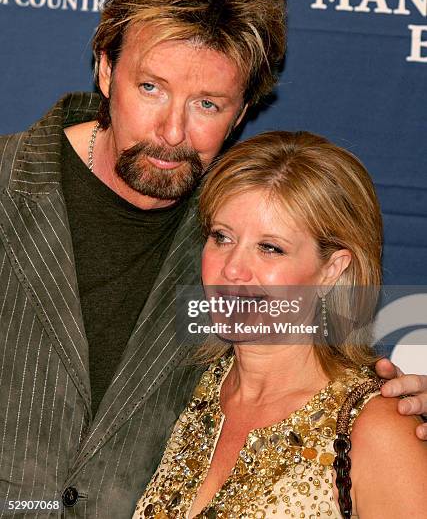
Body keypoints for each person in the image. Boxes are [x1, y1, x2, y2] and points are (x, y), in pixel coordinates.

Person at [0, 0, 425, 519]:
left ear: (243, 111)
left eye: (207, 104)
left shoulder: (232, 225)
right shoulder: (7, 188)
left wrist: (403, 410)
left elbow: (328, 342)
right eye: (151, 87)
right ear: (105, 70)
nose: (173, 132)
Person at [134, 131, 427, 519]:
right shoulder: (187, 388)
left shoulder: (374, 429)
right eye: (222, 238)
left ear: (333, 269)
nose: (233, 270)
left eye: (270, 248)